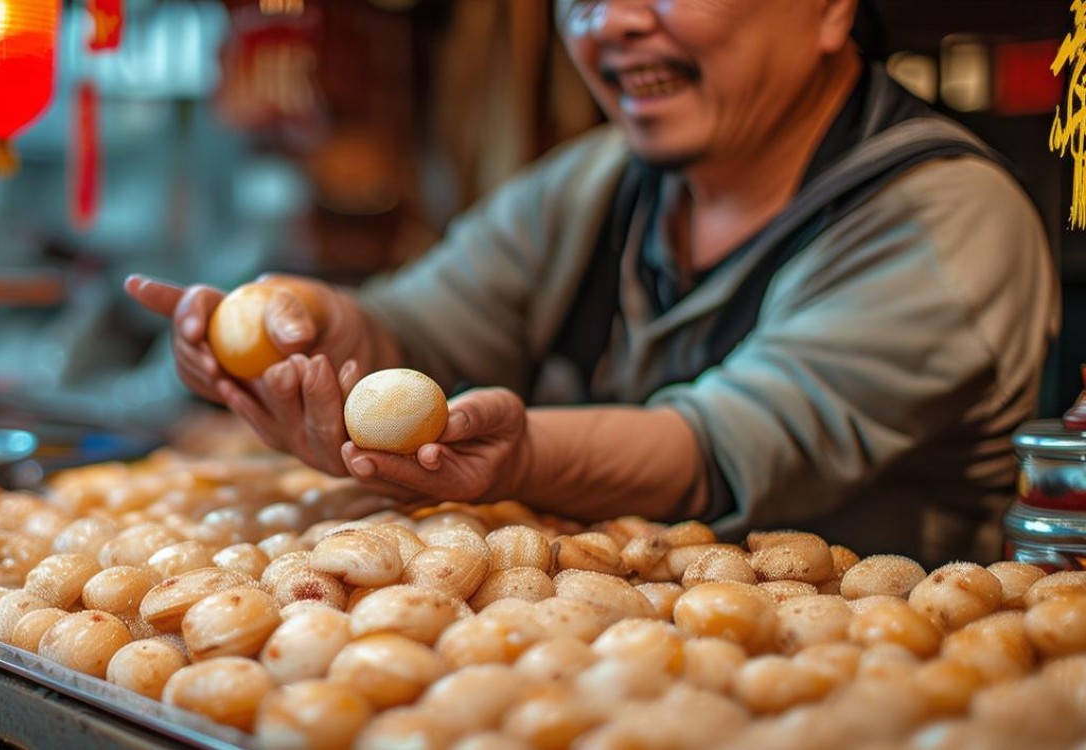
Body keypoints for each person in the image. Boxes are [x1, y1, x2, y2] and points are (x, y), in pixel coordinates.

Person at [128, 0, 1059, 567]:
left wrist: (521, 457)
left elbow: (724, 445)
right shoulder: (594, 183)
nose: (606, 21)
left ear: (827, 10)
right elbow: (419, 326)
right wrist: (317, 329)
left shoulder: (944, 216)